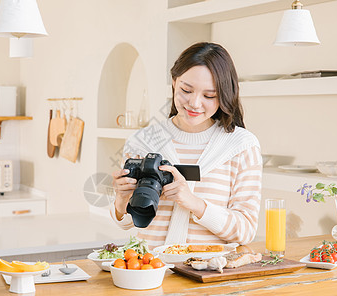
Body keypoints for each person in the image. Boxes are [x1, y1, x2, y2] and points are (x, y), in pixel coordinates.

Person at [110, 42, 262, 249]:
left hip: (208, 275)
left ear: (224, 94)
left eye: (209, 96)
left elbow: (245, 231)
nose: (194, 103)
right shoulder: (143, 141)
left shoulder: (241, 146)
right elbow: (126, 223)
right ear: (174, 82)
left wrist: (194, 203)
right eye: (186, 90)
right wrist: (121, 199)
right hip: (149, 270)